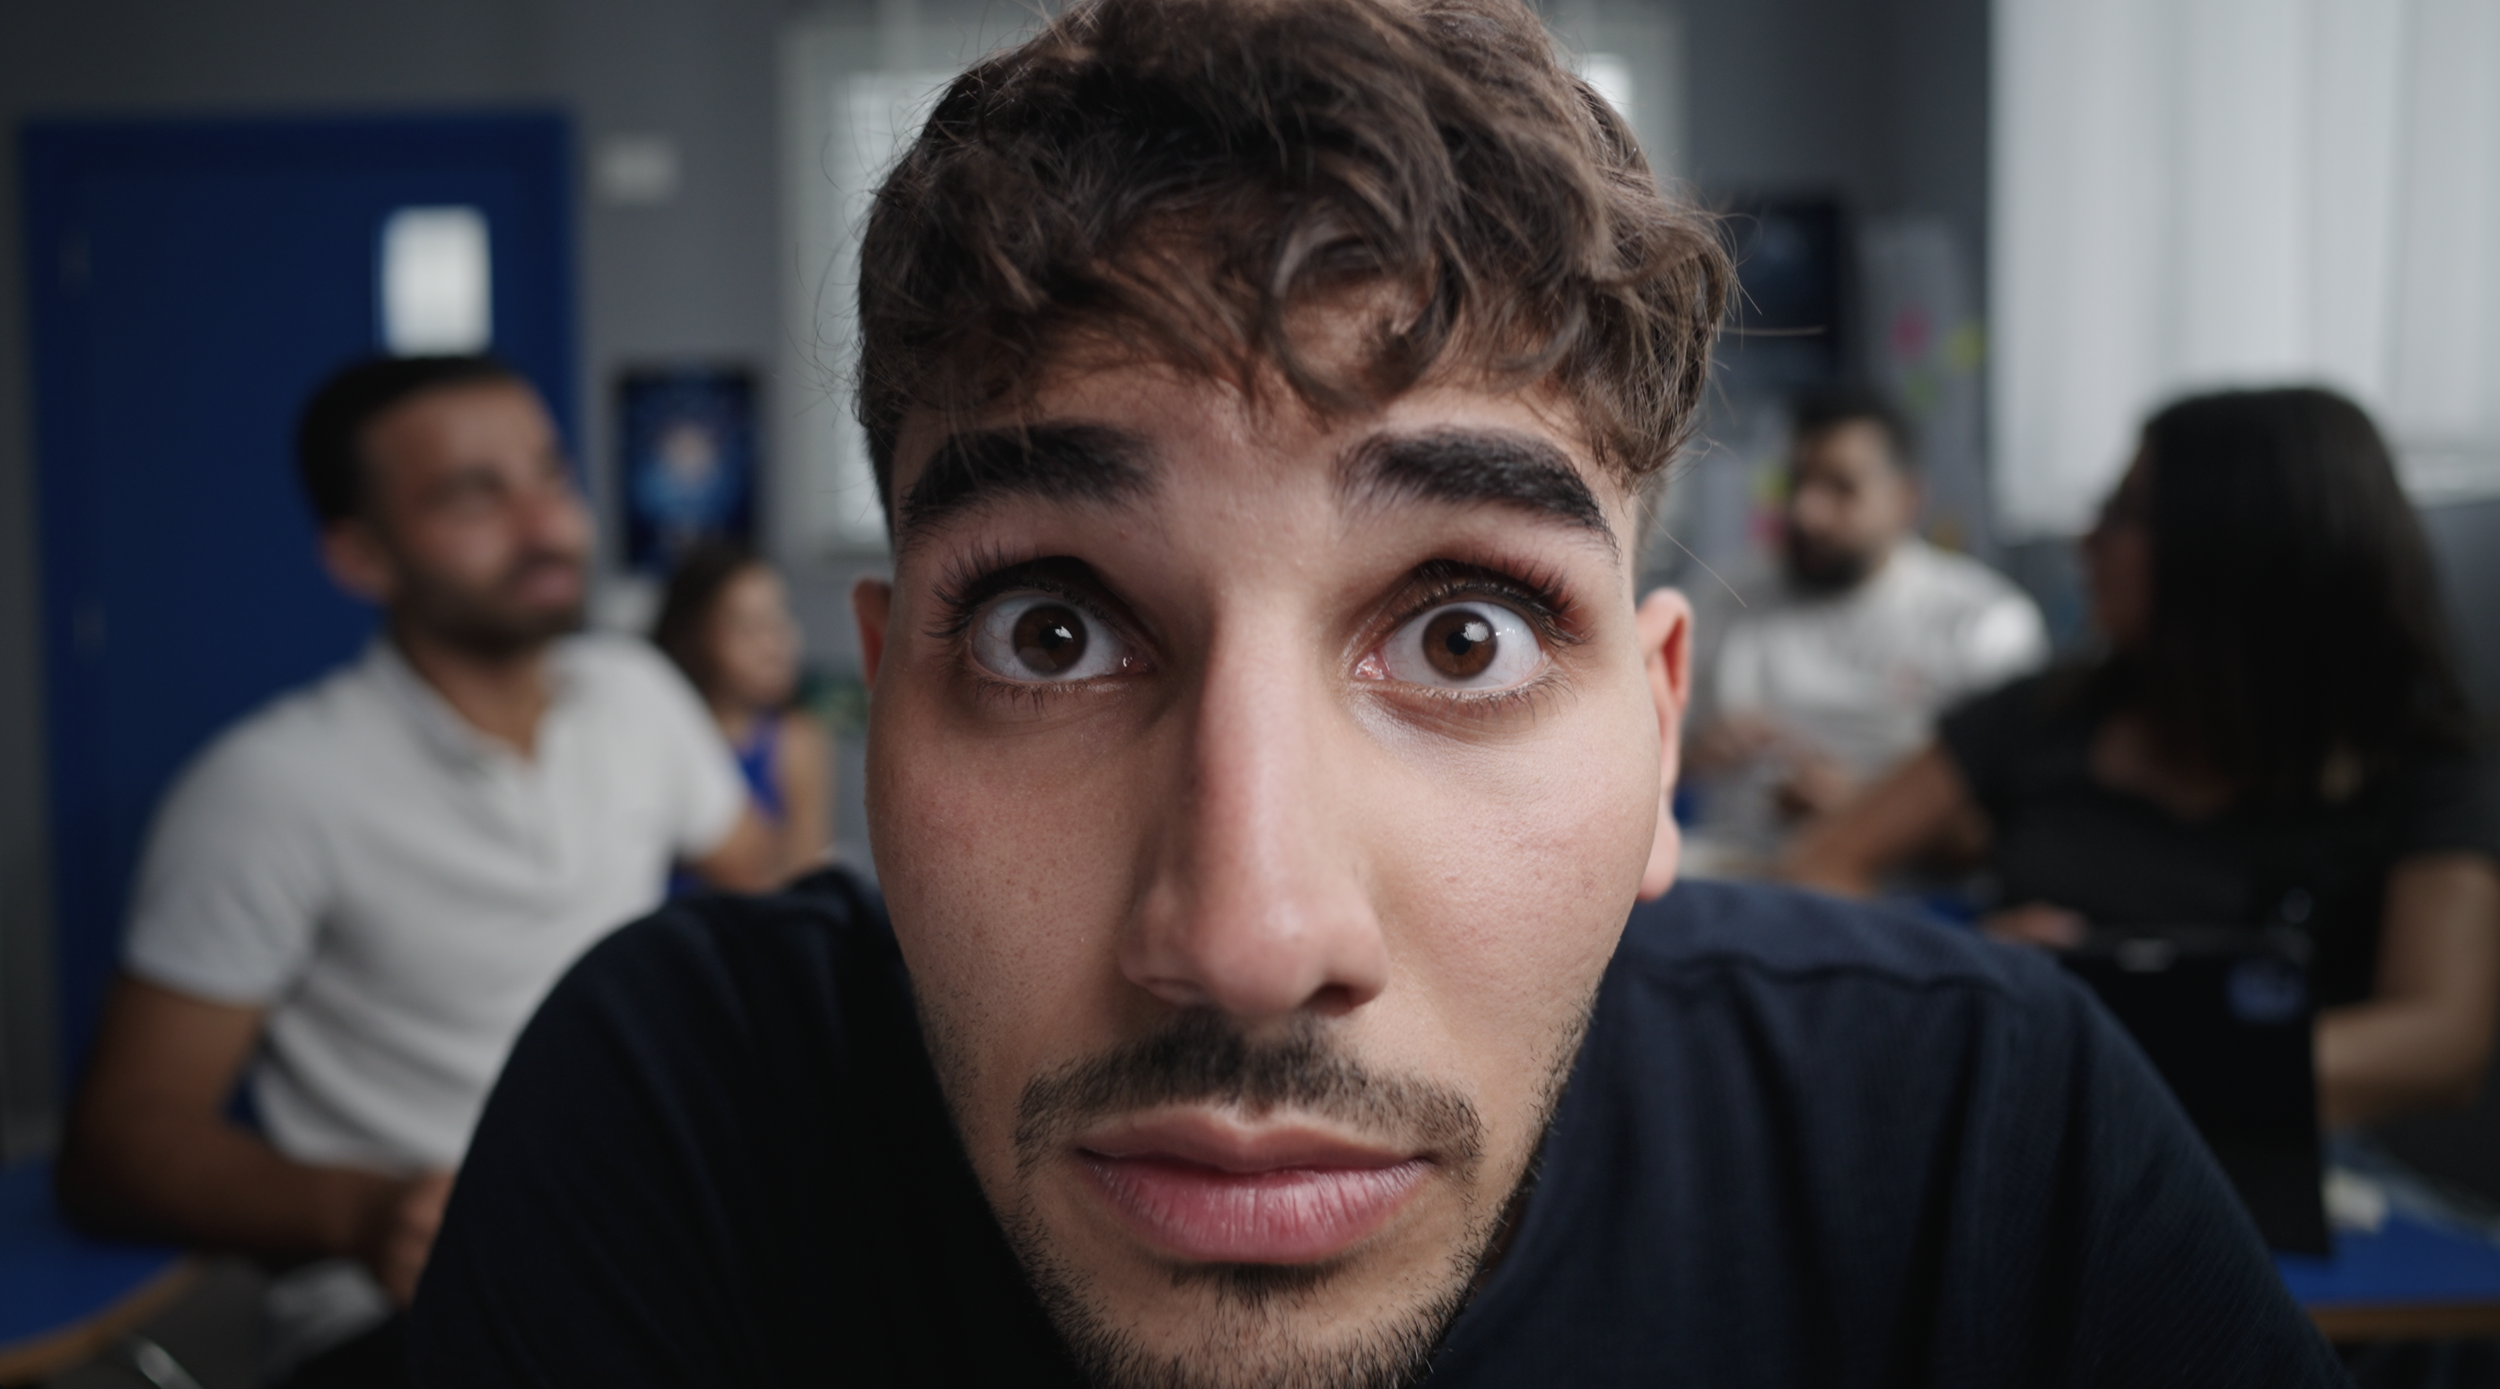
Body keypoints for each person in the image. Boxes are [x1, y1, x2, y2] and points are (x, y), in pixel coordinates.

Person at [410, 3, 2344, 1385]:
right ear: (886, 694)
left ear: (1662, 728)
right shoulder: (674, 1115)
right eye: (1053, 632)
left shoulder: (1973, 1137)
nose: (1249, 937)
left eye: (1463, 633)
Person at [56, 355, 780, 1388]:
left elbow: (761, 895)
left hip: (655, 1251)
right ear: (360, 556)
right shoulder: (267, 789)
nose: (545, 526)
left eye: (549, 475)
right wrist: (365, 1214)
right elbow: (116, 1147)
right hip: (403, 1308)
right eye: (473, 496)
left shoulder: (637, 693)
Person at [1788, 387, 2500, 1134]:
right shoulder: (2044, 714)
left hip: (2279, 1161)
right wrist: (1960, 964)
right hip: (2028, 1124)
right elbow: (1822, 859)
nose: (2084, 542)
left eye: (2124, 516)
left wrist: (2120, 1046)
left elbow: (2441, 1045)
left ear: (2236, 551)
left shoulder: (2428, 765)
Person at [1685, 389, 2046, 860]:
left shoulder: (1982, 626)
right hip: (1736, 872)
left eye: (1841, 488)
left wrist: (1866, 812)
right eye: (1795, 483)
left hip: (1903, 896)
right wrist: (1693, 753)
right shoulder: (1721, 600)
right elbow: (1637, 765)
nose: (1805, 512)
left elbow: (2012, 832)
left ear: (1906, 499)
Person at [651, 541, 835, 882]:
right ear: (691, 637)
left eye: (781, 617)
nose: (775, 642)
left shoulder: (796, 741)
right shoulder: (653, 737)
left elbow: (804, 882)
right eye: (748, 627)